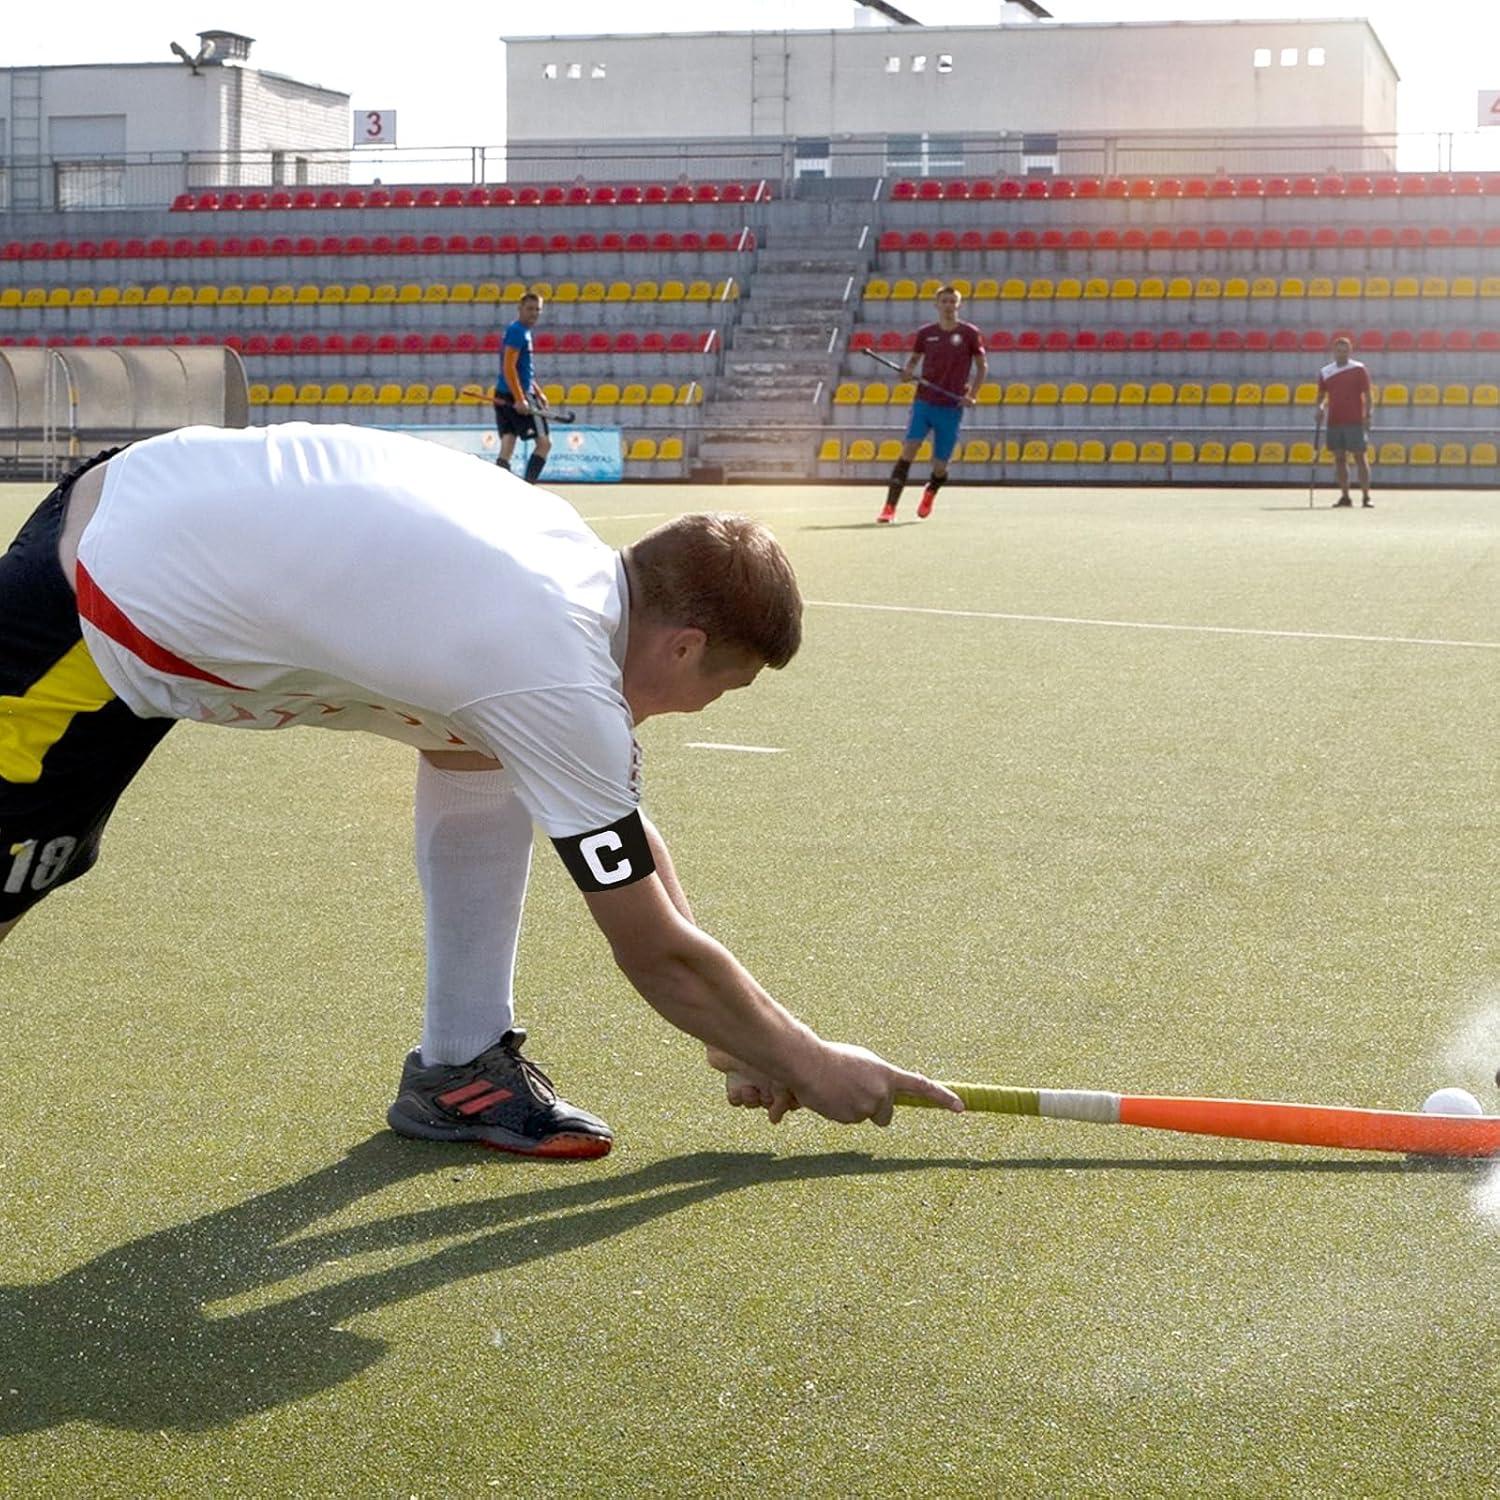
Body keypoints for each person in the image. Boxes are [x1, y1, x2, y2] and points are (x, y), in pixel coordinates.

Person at [0, 424, 962, 1160]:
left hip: (165, 514)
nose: (705, 708)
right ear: (687, 645)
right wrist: (809, 1061)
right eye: (723, 686)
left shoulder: (573, 570)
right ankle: (460, 1064)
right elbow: (656, 951)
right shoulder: (553, 672)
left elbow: (623, 834)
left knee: (484, 752)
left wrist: (748, 1039)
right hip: (97, 600)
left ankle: (459, 1067)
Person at [878, 286, 988, 524]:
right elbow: (914, 362)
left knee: (940, 467)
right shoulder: (926, 333)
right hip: (924, 402)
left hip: (951, 406)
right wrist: (907, 373)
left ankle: (931, 491)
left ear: (959, 306)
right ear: (936, 305)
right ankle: (889, 508)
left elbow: (982, 367)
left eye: (952, 301)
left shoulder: (970, 333)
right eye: (944, 301)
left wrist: (973, 394)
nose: (948, 305)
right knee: (909, 450)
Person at [493, 291, 552, 483]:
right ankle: (528, 488)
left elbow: (521, 369)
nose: (534, 313)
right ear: (520, 309)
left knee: (508, 443)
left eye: (538, 310)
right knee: (544, 444)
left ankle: (500, 487)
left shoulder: (519, 330)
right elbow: (509, 367)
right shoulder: (518, 332)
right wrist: (520, 398)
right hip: (515, 395)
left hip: (506, 393)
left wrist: (538, 391)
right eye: (530, 309)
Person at [1316, 335, 1374, 508]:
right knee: (1339, 458)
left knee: (1360, 458)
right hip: (1335, 420)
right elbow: (1321, 395)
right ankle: (1345, 496)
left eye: (1345, 351)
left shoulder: (1359, 369)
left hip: (1355, 420)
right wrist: (1319, 407)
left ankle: (1366, 497)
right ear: (1334, 352)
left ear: (1350, 351)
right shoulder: (1325, 371)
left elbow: (1368, 394)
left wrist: (1368, 414)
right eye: (1339, 351)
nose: (1342, 354)